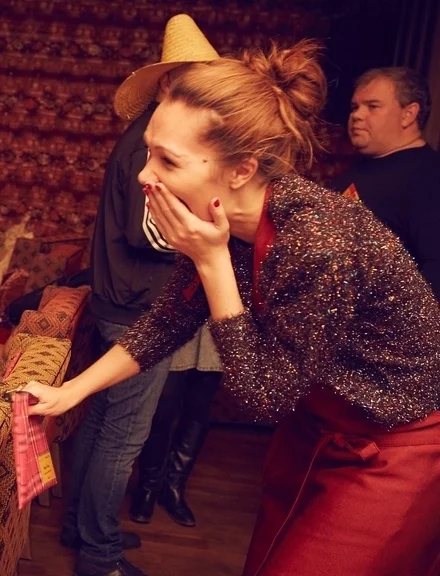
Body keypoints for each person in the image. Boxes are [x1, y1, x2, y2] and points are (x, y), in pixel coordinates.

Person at [25, 40, 440, 576]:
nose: (144, 175)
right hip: (315, 425)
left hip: (395, 440)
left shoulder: (318, 242)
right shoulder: (222, 223)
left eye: (168, 160)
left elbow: (264, 398)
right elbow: (167, 323)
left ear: (241, 170)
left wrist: (212, 261)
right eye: (149, 152)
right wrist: (69, 393)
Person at [62, 14, 218, 576]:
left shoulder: (150, 137)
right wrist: (204, 242)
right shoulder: (152, 146)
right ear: (167, 83)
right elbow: (147, 233)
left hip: (123, 303)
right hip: (137, 310)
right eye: (195, 82)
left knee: (104, 422)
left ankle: (80, 526)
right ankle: (98, 554)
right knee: (123, 437)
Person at [331, 66, 440, 299]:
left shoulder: (430, 177)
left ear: (408, 114)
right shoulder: (355, 170)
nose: (357, 115)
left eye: (372, 106)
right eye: (355, 107)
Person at [129, 328, 222, 528]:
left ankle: (173, 488)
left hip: (218, 323)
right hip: (176, 318)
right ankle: (148, 487)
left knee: (199, 408)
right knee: (162, 409)